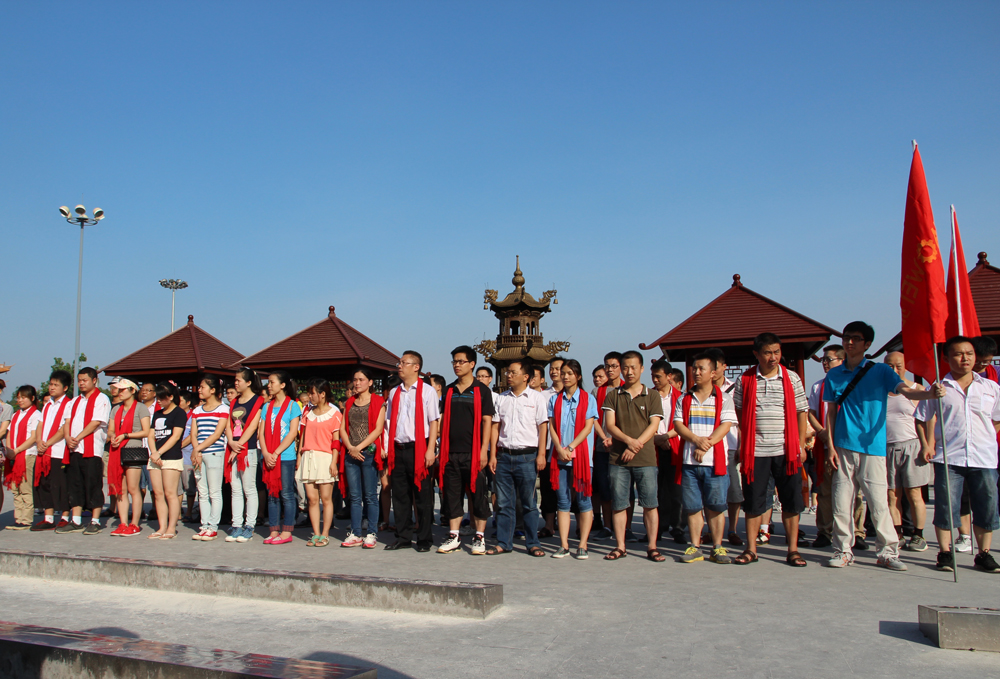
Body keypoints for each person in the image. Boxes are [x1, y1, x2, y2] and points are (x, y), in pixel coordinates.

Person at [823, 321, 943, 570]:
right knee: (841, 502)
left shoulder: (880, 371)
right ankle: (843, 550)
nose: (850, 342)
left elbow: (906, 391)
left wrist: (929, 394)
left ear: (867, 344)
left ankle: (888, 552)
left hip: (874, 447)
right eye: (846, 337)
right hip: (844, 445)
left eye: (856, 338)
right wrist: (831, 447)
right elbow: (831, 413)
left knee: (879, 502)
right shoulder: (834, 374)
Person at [915, 336, 1000, 573]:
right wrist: (926, 444)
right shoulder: (938, 388)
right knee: (946, 506)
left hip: (983, 458)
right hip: (949, 457)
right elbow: (921, 418)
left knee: (986, 506)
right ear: (946, 358)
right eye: (958, 354)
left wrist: (984, 436)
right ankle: (945, 552)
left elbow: (997, 418)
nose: (965, 358)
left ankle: (984, 554)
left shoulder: (990, 388)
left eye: (969, 354)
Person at [731, 333, 809, 567]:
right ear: (756, 354)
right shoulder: (745, 380)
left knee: (791, 501)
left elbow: (801, 411)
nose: (773, 357)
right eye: (767, 353)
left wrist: (801, 444)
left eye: (777, 352)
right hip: (756, 452)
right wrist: (744, 443)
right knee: (754, 502)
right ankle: (751, 549)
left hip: (787, 450)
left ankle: (793, 550)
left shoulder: (791, 378)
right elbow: (740, 413)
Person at [673, 353, 738, 563]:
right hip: (689, 463)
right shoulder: (684, 398)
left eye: (701, 368)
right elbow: (678, 425)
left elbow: (725, 426)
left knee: (716, 507)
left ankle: (718, 547)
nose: (697, 372)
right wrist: (696, 440)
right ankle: (695, 546)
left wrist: (705, 445)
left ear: (713, 372)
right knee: (692, 507)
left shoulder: (724, 399)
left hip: (714, 463)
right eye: (694, 368)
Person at [601, 350, 664, 562]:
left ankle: (652, 546)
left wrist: (635, 446)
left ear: (642, 369)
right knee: (619, 504)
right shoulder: (613, 395)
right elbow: (610, 425)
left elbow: (654, 425)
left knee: (650, 504)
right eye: (625, 368)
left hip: (645, 459)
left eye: (633, 367)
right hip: (618, 459)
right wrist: (629, 441)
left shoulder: (652, 395)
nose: (629, 372)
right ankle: (620, 546)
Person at [438, 345, 495, 555]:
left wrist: (483, 451)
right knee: (452, 495)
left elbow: (487, 421)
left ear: (472, 364)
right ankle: (454, 535)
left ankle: (479, 537)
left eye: (461, 361)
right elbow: (442, 419)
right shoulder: (449, 390)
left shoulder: (482, 391)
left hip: (474, 452)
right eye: (454, 361)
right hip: (450, 452)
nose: (457, 365)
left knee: (478, 495)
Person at [487, 359, 547, 557]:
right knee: (504, 503)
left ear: (526, 376)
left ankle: (533, 543)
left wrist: (541, 454)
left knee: (529, 503)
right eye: (507, 372)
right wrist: (493, 455)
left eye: (513, 372)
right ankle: (504, 542)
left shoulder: (537, 398)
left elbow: (543, 427)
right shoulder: (502, 398)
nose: (509, 375)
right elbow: (495, 427)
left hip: (527, 457)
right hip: (504, 456)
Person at [385, 351, 440, 551]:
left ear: (416, 367)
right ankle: (403, 537)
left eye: (404, 363)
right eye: (399, 363)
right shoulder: (394, 392)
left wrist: (430, 449)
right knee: (400, 496)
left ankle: (424, 539)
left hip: (420, 448)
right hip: (398, 448)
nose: (399, 366)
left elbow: (434, 422)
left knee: (422, 496)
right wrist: (387, 447)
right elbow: (389, 421)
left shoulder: (428, 391)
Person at [547, 358, 598, 559]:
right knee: (562, 501)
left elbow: (588, 427)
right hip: (559, 456)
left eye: (570, 373)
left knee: (584, 500)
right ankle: (564, 544)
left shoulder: (588, 399)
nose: (565, 376)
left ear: (578, 376)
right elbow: (551, 426)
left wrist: (570, 447)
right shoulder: (554, 400)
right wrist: (559, 448)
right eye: (563, 373)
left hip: (581, 456)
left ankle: (583, 544)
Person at [882, 352, 931, 552]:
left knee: (914, 493)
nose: (894, 370)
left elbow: (929, 419)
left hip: (912, 446)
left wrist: (928, 445)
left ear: (906, 366)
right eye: (890, 366)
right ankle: (898, 534)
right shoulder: (880, 391)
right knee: (892, 495)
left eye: (898, 365)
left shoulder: (917, 390)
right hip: (886, 448)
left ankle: (918, 535)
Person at [57, 368, 111, 535]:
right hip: (74, 449)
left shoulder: (101, 399)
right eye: (79, 380)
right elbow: (66, 421)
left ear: (94, 380)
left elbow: (96, 422)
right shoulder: (74, 401)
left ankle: (95, 520)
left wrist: (78, 437)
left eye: (84, 380)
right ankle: (76, 520)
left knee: (93, 484)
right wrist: (68, 437)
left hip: (91, 449)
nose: (81, 383)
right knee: (75, 484)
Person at [338, 368, 386, 549]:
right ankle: (356, 533)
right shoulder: (350, 402)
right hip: (351, 454)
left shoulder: (378, 402)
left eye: (361, 379)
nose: (357, 383)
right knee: (355, 496)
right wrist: (350, 447)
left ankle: (371, 533)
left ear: (370, 382)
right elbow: (343, 428)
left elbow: (378, 429)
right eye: (355, 379)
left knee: (370, 495)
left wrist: (359, 447)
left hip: (368, 453)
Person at [705, 347, 743, 547]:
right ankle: (711, 531)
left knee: (734, 491)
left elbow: (742, 420)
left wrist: (742, 445)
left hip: (731, 445)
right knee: (709, 491)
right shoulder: (699, 390)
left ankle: (732, 529)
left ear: (724, 367)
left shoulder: (736, 388)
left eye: (716, 365)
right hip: (706, 446)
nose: (713, 370)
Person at [259, 371, 302, 545]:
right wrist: (266, 453)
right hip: (269, 456)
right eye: (268, 382)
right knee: (272, 494)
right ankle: (274, 530)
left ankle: (287, 530)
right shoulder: (267, 407)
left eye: (272, 382)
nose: (269, 386)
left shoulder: (293, 406)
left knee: (286, 493)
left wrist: (276, 453)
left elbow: (292, 433)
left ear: (283, 385)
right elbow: (261, 433)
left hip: (285, 457)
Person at [224, 367, 264, 543]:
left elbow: (253, 426)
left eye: (238, 380)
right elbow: (228, 424)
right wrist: (231, 441)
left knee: (249, 488)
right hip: (233, 448)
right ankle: (236, 524)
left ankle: (250, 526)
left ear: (248, 382)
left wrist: (237, 446)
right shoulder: (234, 401)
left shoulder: (258, 401)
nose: (236, 383)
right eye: (235, 380)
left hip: (248, 449)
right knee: (235, 489)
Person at [108, 379, 150, 536]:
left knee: (133, 488)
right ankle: (123, 523)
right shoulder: (116, 409)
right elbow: (111, 429)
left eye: (123, 389)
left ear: (133, 391)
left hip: (133, 450)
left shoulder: (140, 408)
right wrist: (113, 436)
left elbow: (146, 431)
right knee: (121, 489)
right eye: (118, 390)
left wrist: (126, 435)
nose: (119, 392)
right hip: (117, 450)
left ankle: (134, 524)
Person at [190, 377, 230, 541]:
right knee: (202, 492)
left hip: (215, 453)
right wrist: (197, 451)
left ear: (213, 390)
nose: (199, 390)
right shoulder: (197, 411)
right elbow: (193, 433)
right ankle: (204, 525)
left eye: (202, 387)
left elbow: (217, 433)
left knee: (214, 491)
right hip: (199, 454)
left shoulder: (223, 409)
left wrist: (197, 449)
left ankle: (213, 527)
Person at [32, 371, 72, 531]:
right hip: (43, 450)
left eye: (56, 385)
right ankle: (48, 518)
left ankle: (64, 517)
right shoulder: (48, 404)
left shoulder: (68, 404)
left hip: (58, 450)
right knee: (44, 483)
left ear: (65, 387)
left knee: (61, 485)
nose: (52, 387)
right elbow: (40, 424)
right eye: (51, 384)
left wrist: (47, 443)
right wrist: (39, 441)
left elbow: (64, 429)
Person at [650, 359, 684, 544]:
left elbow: (684, 422)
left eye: (658, 376)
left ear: (669, 376)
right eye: (653, 376)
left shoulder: (681, 397)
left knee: (676, 490)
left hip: (674, 446)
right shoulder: (647, 396)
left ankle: (677, 527)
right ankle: (657, 528)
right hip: (653, 446)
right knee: (655, 490)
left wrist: (665, 437)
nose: (655, 380)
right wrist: (656, 437)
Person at [147, 382, 186, 539]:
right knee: (158, 493)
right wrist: (154, 452)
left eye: (161, 398)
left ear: (170, 397)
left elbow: (176, 436)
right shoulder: (157, 414)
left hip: (171, 457)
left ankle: (171, 527)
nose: (159, 401)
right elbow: (151, 435)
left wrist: (160, 452)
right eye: (157, 398)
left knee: (170, 493)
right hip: (155, 458)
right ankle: (161, 527)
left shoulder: (179, 413)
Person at [591, 352, 623, 540]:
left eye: (614, 366)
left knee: (623, 488)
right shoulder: (598, 392)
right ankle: (608, 525)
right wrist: (604, 438)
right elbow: (593, 418)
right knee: (604, 487)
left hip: (622, 446)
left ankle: (625, 527)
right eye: (607, 366)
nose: (610, 370)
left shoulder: (627, 389)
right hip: (602, 445)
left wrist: (617, 439)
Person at [4, 386, 41, 529]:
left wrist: (17, 450)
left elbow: (33, 437)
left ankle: (26, 519)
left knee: (25, 488)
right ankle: (18, 518)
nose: (20, 400)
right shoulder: (16, 414)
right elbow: (9, 433)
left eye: (23, 397)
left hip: (27, 454)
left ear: (32, 398)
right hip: (14, 455)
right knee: (16, 488)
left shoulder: (36, 415)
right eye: (18, 397)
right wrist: (9, 450)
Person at [538, 357, 565, 539]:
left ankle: (576, 524)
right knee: (548, 487)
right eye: (552, 369)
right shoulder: (543, 396)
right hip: (548, 447)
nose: (554, 372)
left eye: (558, 369)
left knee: (568, 487)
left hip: (569, 448)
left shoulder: (578, 395)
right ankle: (549, 524)